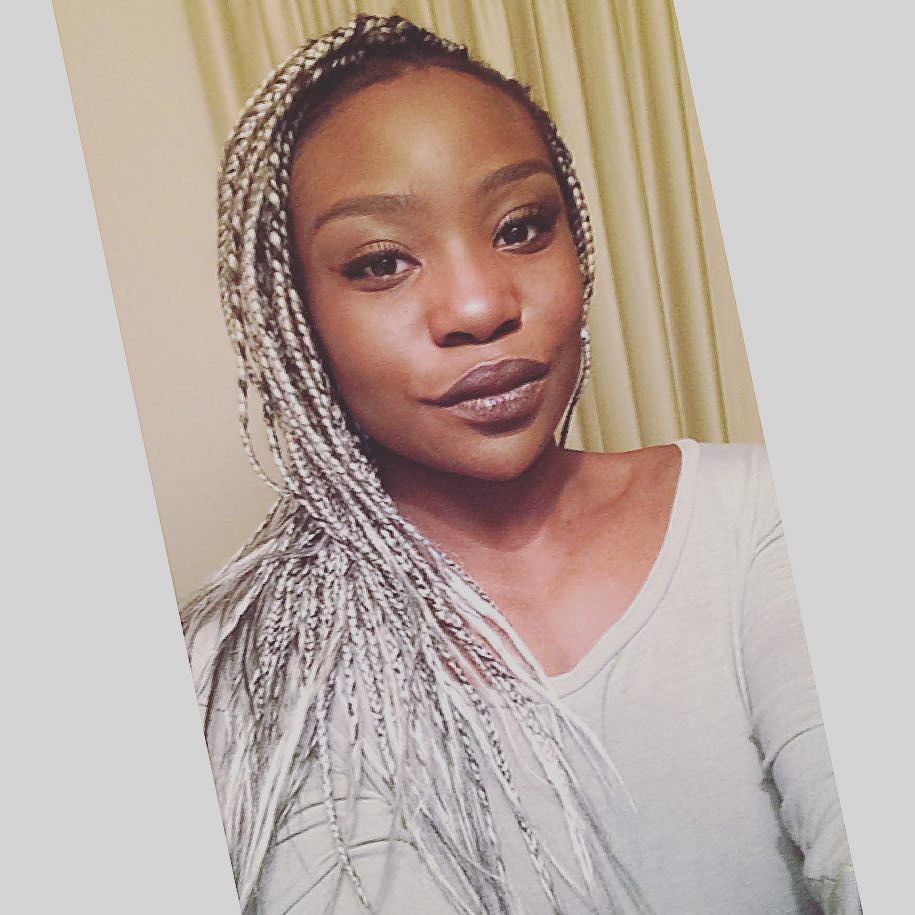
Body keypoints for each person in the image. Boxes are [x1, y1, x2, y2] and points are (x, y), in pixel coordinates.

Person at [184, 14, 859, 915]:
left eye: (520, 227)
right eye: (380, 262)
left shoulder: (759, 514)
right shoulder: (246, 665)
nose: (478, 305)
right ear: (293, 315)